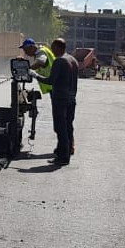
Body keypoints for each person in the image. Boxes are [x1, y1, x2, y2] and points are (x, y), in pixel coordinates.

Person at [32, 37, 79, 165]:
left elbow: (50, 81)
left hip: (60, 99)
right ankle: (65, 150)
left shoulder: (60, 61)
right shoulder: (73, 60)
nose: (52, 51)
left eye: (52, 48)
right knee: (68, 126)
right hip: (71, 98)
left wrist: (35, 75)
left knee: (60, 128)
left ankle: (63, 158)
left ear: (58, 48)